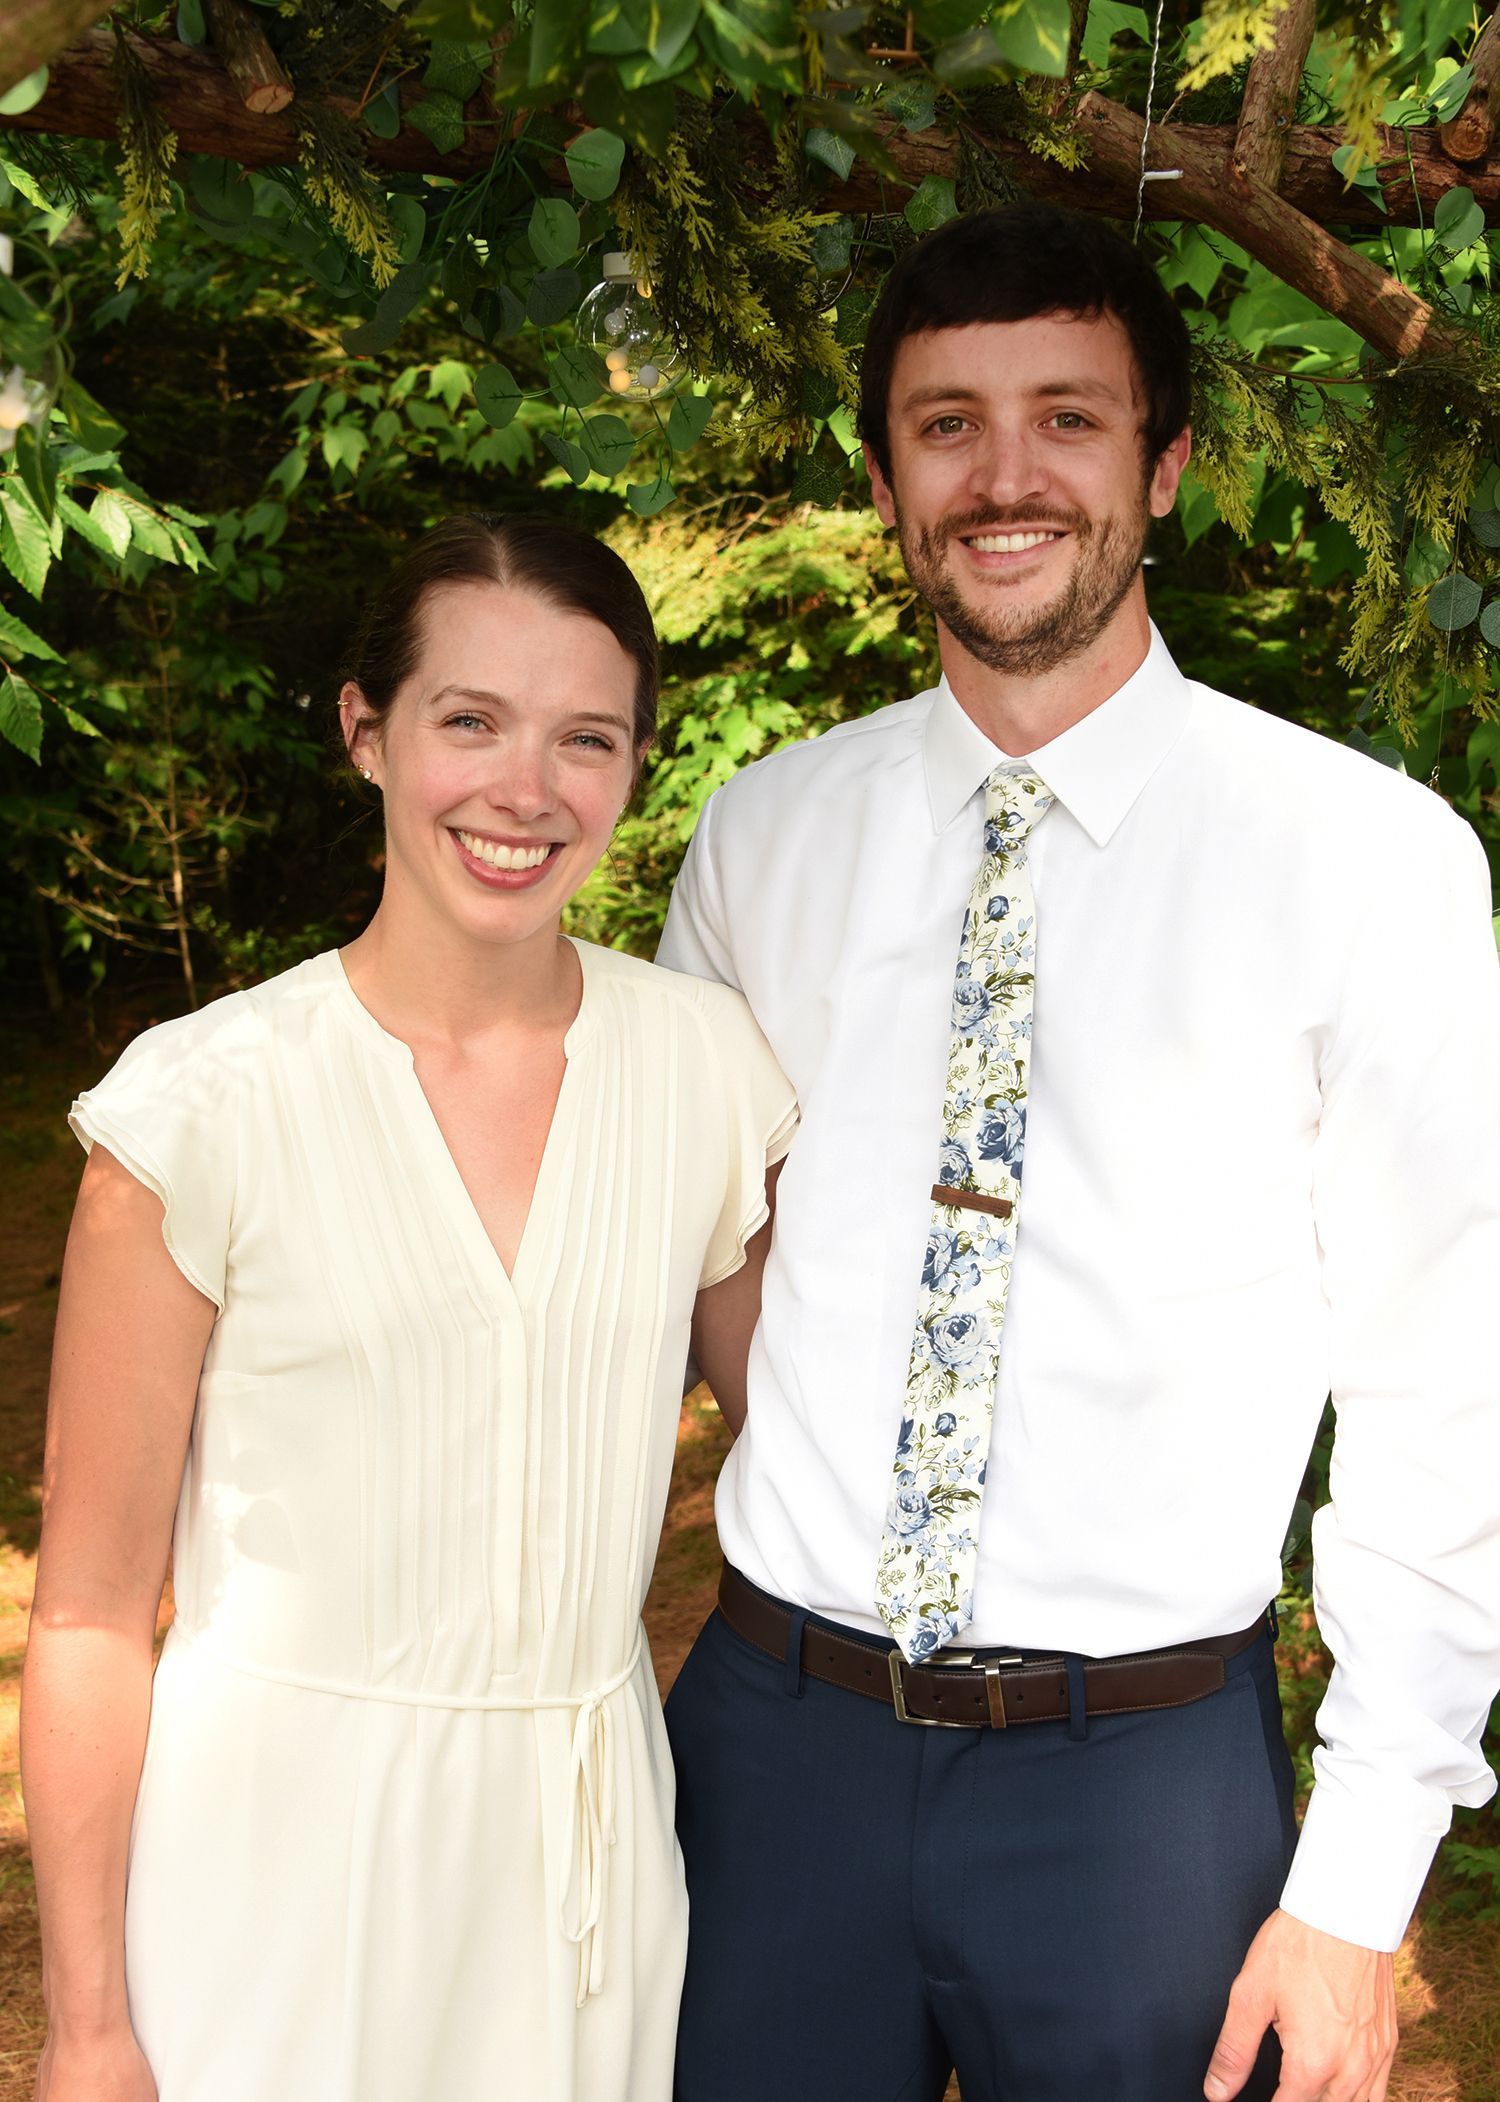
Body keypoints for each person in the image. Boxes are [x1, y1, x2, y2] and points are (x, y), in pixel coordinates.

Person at [657, 203, 1500, 2102]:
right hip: (781, 1752)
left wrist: (1358, 1882)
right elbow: (703, 1241)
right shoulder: (762, 839)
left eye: (1069, 417)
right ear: (886, 478)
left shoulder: (1367, 862)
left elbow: (1451, 1390)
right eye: (947, 424)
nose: (1005, 475)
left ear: (1165, 463)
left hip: (1145, 1784)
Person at [21, 516, 795, 2102]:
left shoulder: (703, 1067)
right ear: (366, 731)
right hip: (275, 1876)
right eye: (470, 720)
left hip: (584, 1880)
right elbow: (88, 1609)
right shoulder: (201, 1104)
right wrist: (88, 2027)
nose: (527, 788)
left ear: (635, 766)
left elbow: (810, 1446)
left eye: (586, 737)